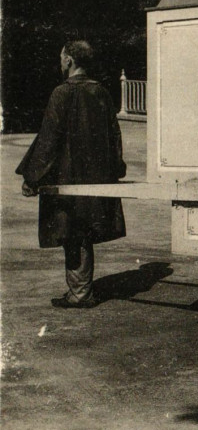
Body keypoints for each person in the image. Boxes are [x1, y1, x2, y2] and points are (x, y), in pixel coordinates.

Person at [16, 40, 126, 309]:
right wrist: (115, 171)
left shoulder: (61, 93)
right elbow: (115, 137)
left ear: (70, 61)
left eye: (61, 57)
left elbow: (48, 140)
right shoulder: (102, 92)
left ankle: (80, 294)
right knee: (83, 232)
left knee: (73, 231)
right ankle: (81, 290)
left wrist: (33, 177)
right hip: (96, 177)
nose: (60, 62)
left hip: (68, 176)